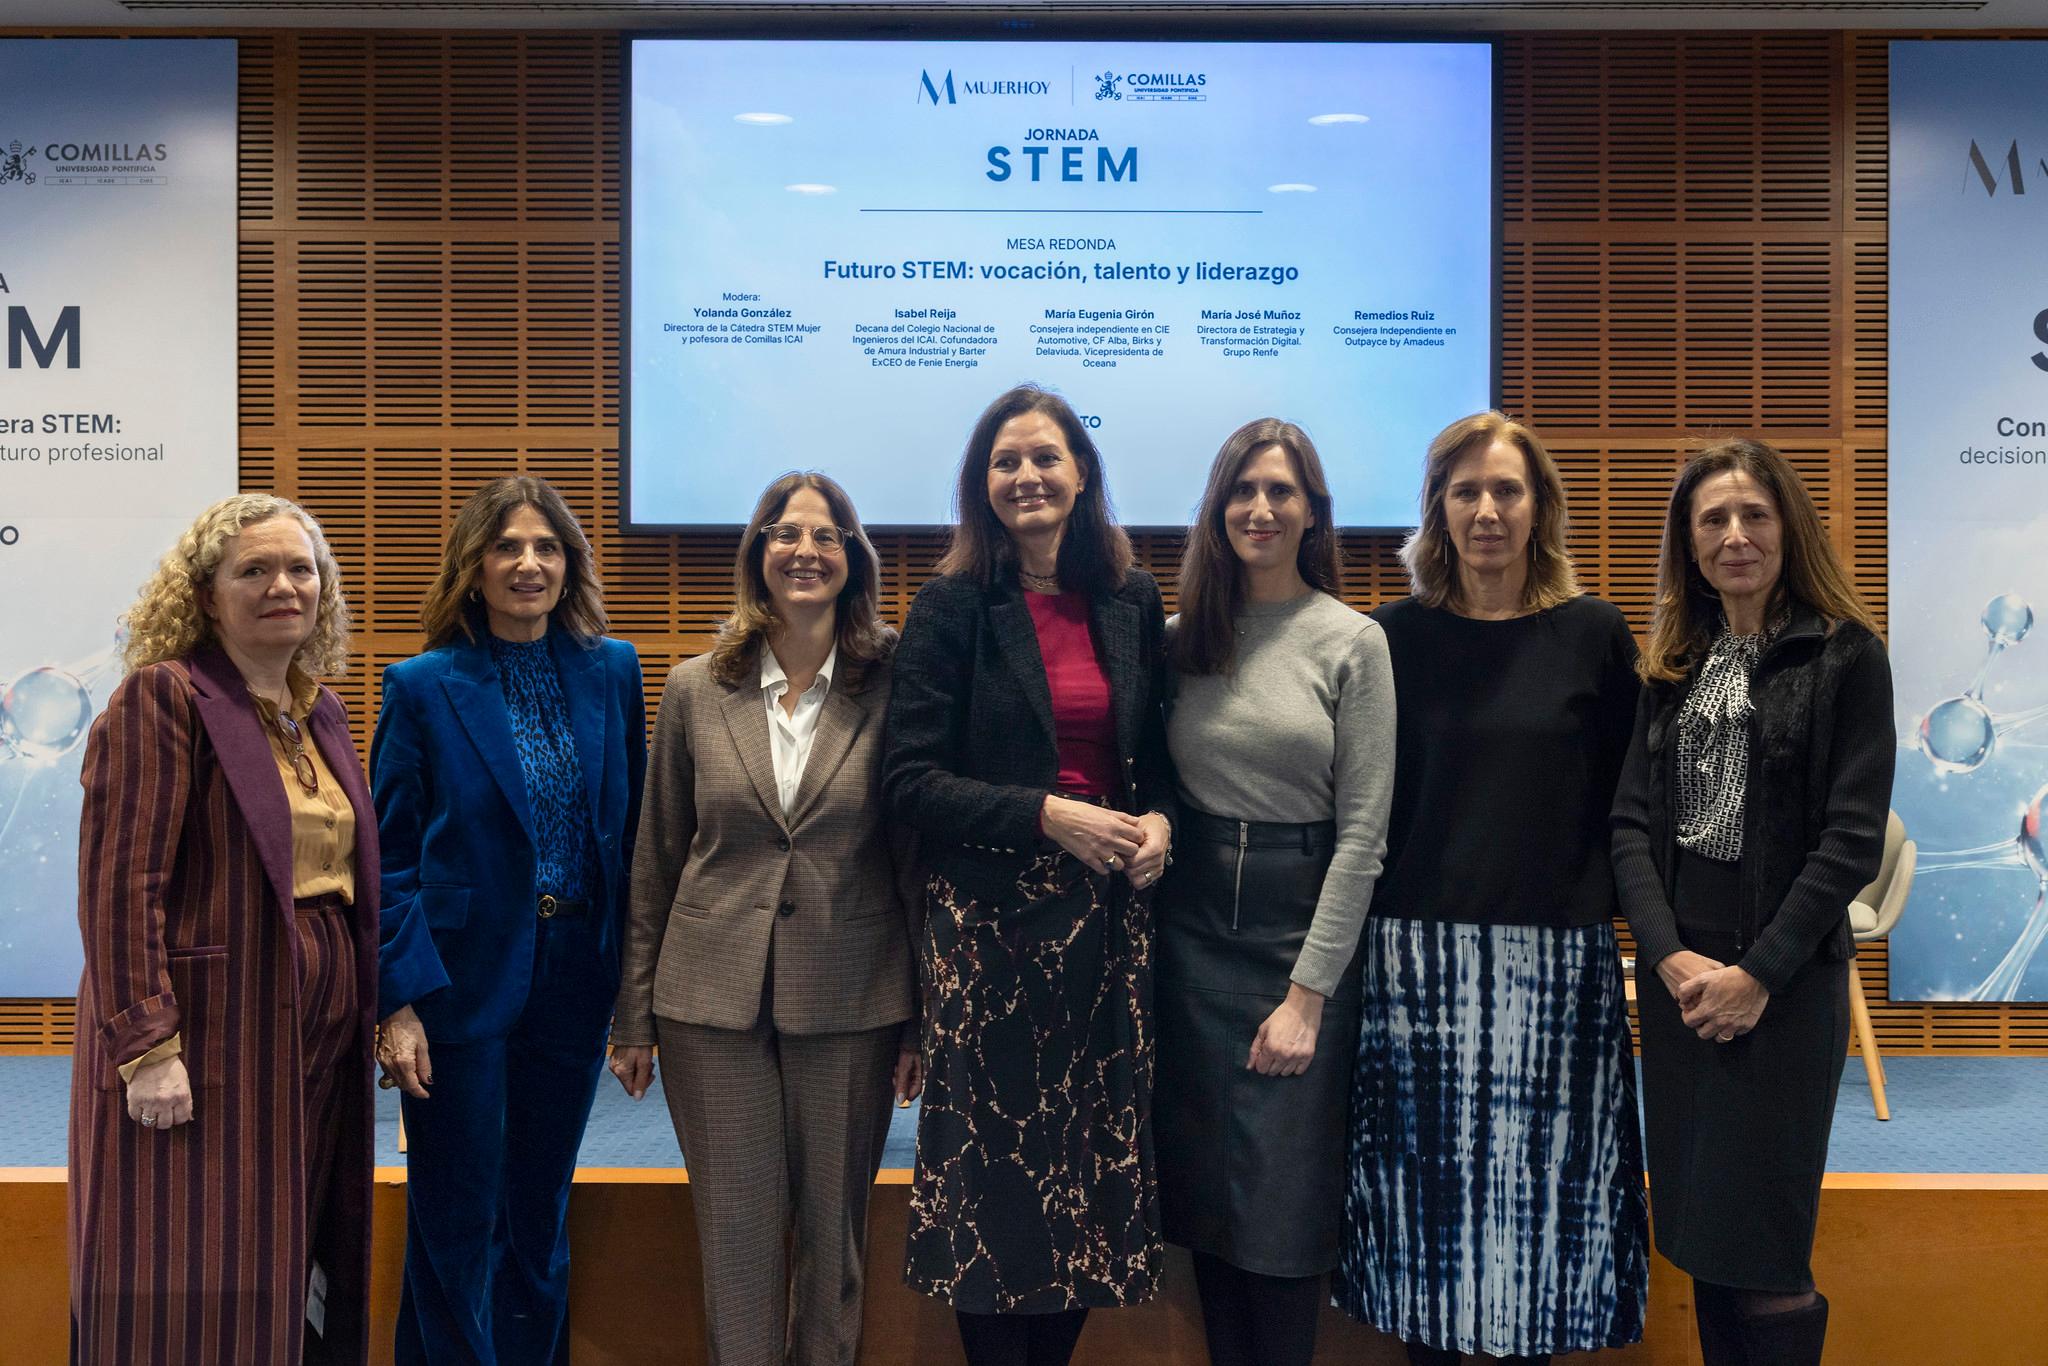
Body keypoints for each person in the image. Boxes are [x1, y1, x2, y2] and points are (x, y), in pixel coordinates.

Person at [1335, 412, 1650, 1366]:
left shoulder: (1594, 633)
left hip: (1557, 964)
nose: (1486, 511)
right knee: (1429, 1217)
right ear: (1436, 509)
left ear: (1539, 508)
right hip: (1415, 964)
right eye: (1464, 492)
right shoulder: (1390, 636)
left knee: (1542, 1219)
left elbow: (1626, 799)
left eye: (1506, 491)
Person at [883, 384, 1176, 1366]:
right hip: (988, 933)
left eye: (1043, 457)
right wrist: (1046, 814)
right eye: (1003, 463)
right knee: (994, 1186)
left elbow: (1159, 759)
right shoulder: (951, 605)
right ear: (981, 487)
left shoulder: (1131, 600)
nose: (1025, 477)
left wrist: (1162, 820)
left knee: (1085, 1176)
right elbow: (909, 780)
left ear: (1081, 472)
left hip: (1104, 929)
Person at [608, 472, 921, 1366]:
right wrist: (632, 1015)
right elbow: (657, 859)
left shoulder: (893, 687)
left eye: (826, 536)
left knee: (835, 1242)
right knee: (737, 1242)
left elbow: (913, 862)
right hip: (709, 1003)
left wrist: (922, 1017)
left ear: (853, 561)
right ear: (758, 555)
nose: (805, 550)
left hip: (853, 999)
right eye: (785, 533)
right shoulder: (696, 689)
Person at [69, 494, 379, 1365]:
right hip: (208, 1031)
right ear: (207, 596)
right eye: (255, 570)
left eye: (301, 569)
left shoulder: (319, 712)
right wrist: (145, 1045)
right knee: (189, 1263)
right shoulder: (164, 699)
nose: (284, 586)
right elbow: (121, 884)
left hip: (311, 1031)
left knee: (287, 1248)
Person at [1611, 437, 1891, 1366]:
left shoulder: (1848, 656)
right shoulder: (1672, 665)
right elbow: (1629, 829)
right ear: (1690, 547)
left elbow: (1850, 840)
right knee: (1705, 1240)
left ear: (1788, 528)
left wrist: (1756, 975)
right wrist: (1668, 958)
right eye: (1713, 521)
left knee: (1766, 1246)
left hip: (1782, 986)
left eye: (1754, 515)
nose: (1736, 535)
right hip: (1682, 981)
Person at [372, 476, 646, 1366]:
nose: (528, 564)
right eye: (506, 547)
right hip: (460, 981)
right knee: (457, 1212)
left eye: (547, 548)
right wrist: (398, 1000)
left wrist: (634, 993)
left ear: (570, 566)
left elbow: (632, 832)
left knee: (539, 1207)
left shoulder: (614, 669)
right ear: (474, 566)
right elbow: (390, 855)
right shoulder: (421, 685)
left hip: (574, 974)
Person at [1156, 419, 1396, 1366]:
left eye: (1281, 491)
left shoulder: (1354, 641)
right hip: (1191, 935)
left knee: (1284, 1215)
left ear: (1312, 513)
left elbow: (1365, 835)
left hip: (1300, 935)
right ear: (1217, 512)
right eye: (1242, 491)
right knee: (1211, 1207)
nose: (1260, 508)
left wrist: (1308, 995)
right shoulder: (1179, 642)